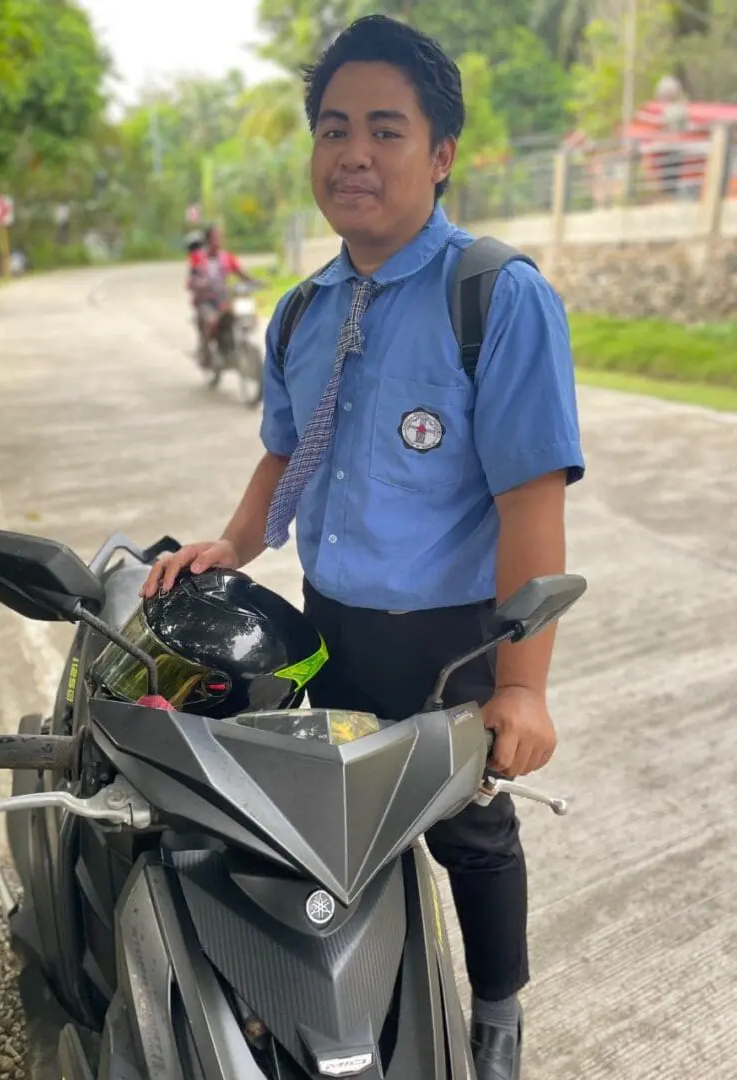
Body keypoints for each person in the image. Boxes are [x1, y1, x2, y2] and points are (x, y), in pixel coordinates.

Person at [142, 15, 585, 1079]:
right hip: (328, 626)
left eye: (388, 130)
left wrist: (521, 687)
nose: (354, 153)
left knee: (470, 838)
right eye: (334, 128)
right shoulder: (301, 311)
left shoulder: (496, 297)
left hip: (450, 643)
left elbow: (531, 505)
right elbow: (282, 454)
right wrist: (236, 545)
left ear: (441, 155)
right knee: (319, 829)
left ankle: (496, 1017)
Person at [188, 223, 258, 360]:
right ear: (208, 240)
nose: (218, 241)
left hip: (223, 300)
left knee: (241, 314)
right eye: (215, 238)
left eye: (220, 237)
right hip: (206, 301)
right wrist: (198, 284)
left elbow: (240, 273)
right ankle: (205, 350)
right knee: (211, 321)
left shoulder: (226, 257)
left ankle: (233, 344)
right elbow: (192, 279)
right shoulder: (198, 258)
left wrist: (254, 282)